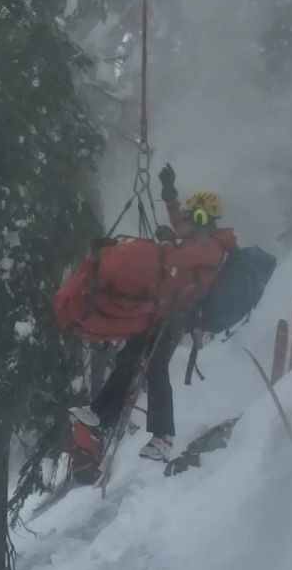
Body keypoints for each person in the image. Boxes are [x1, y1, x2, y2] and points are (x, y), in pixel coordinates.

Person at [69, 164, 237, 474]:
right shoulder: (196, 237)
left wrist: (167, 242)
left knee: (154, 366)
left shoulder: (209, 246)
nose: (189, 222)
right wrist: (169, 192)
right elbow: (175, 224)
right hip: (161, 311)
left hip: (176, 315)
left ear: (210, 222)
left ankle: (163, 436)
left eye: (197, 217)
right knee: (130, 359)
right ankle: (102, 413)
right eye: (190, 216)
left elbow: (175, 257)